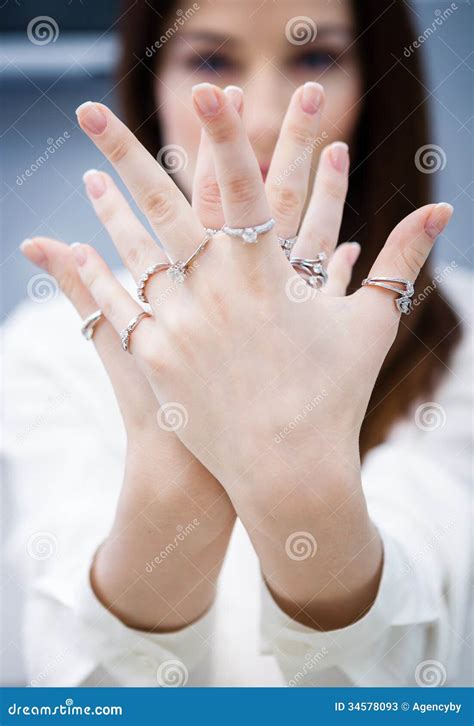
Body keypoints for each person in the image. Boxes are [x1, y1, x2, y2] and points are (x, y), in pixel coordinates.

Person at [3, 0, 472, 687]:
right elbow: (75, 688)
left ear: (378, 85)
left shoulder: (461, 336)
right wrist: (181, 455)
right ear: (149, 85)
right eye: (211, 60)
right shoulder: (44, 348)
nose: (259, 119)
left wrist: (298, 484)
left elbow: (424, 670)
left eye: (316, 59)